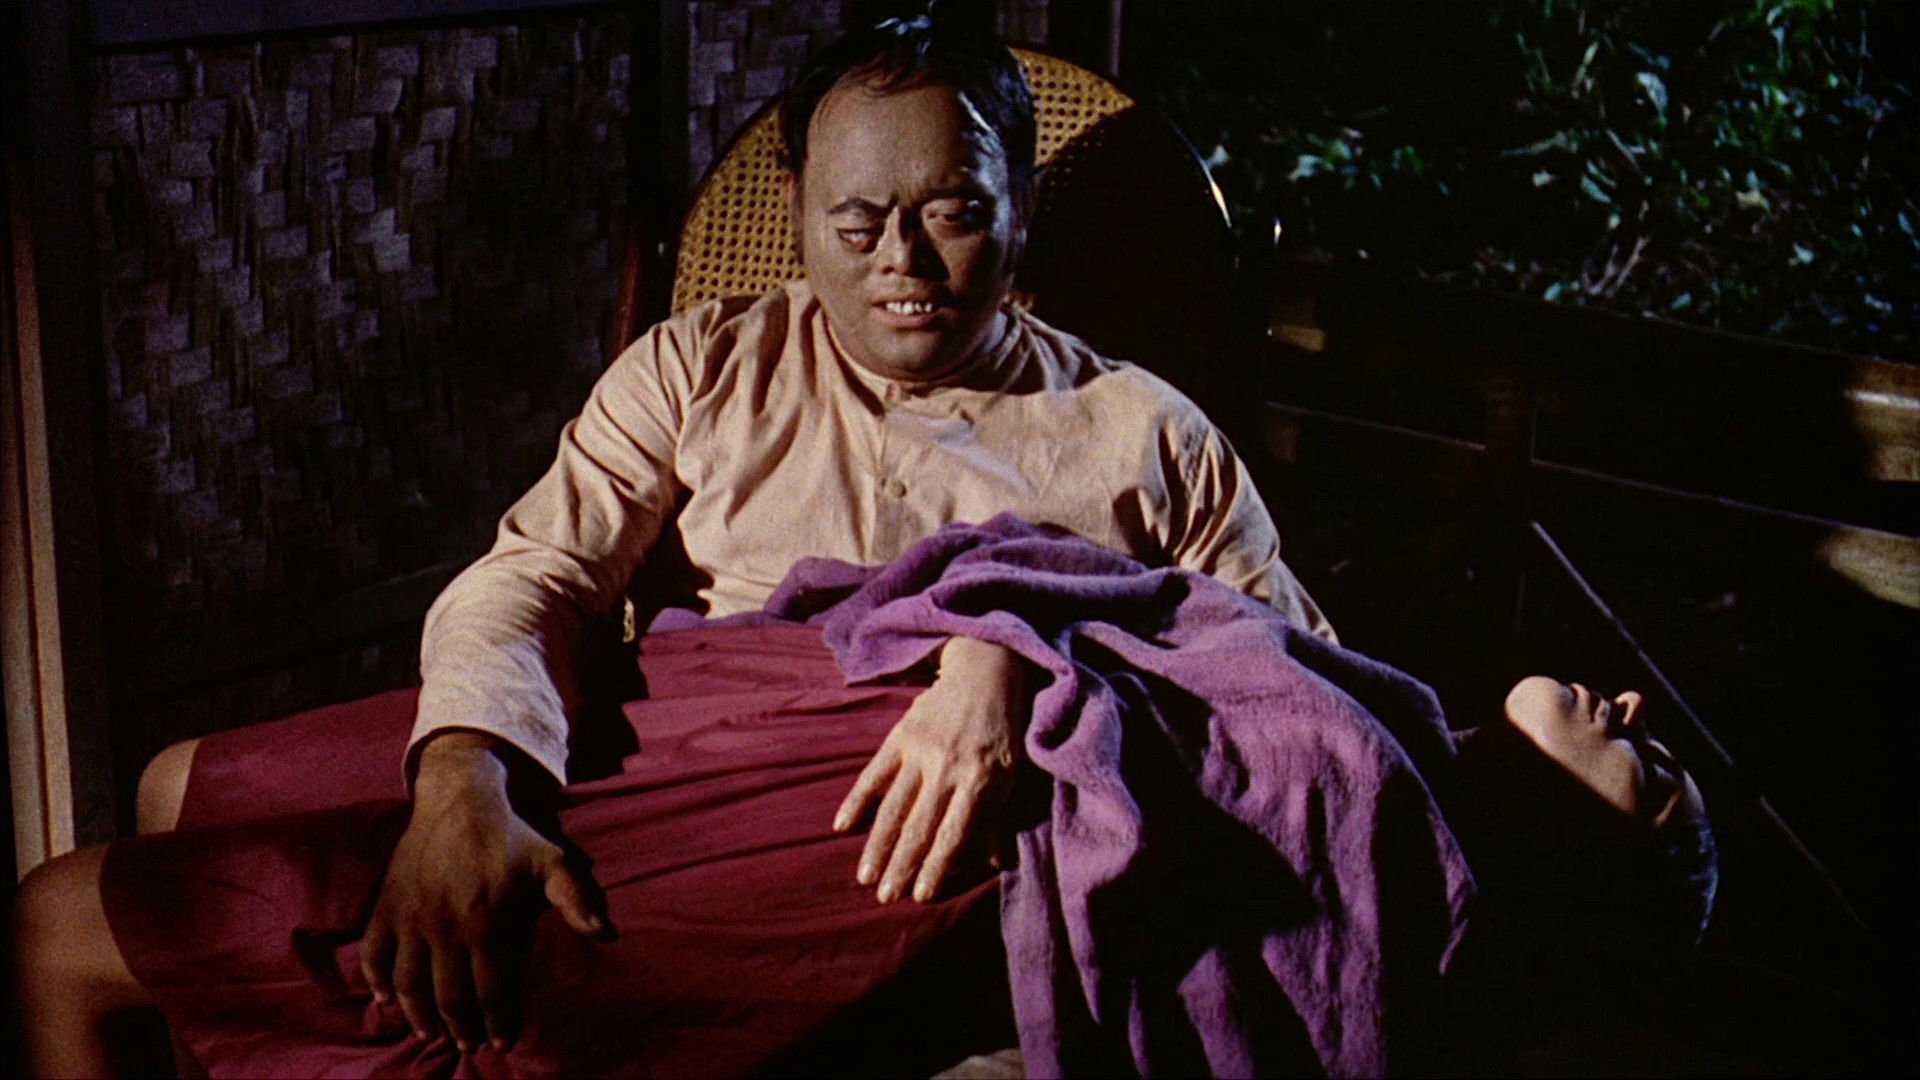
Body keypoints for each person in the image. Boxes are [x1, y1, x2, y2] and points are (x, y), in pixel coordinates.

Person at [13, 12, 1330, 1077]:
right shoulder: (708, 364)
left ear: (1021, 204)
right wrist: (466, 770)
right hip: (677, 726)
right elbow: (540, 571)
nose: (903, 263)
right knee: (176, 784)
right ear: (797, 205)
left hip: (846, 838)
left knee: (67, 917)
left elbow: (1290, 702)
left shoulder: (1140, 433)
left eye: (956, 212)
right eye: (856, 222)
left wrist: (1018, 654)